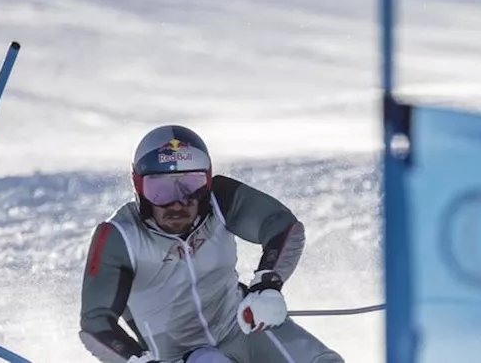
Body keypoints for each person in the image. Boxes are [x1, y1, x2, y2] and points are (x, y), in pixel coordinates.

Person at [79, 124, 344, 363]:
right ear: (139, 189)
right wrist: (136, 360)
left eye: (190, 187)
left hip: (241, 325)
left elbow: (281, 225)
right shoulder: (119, 236)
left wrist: (267, 285)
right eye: (160, 190)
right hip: (177, 356)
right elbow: (96, 323)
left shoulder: (220, 200)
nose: (178, 204)